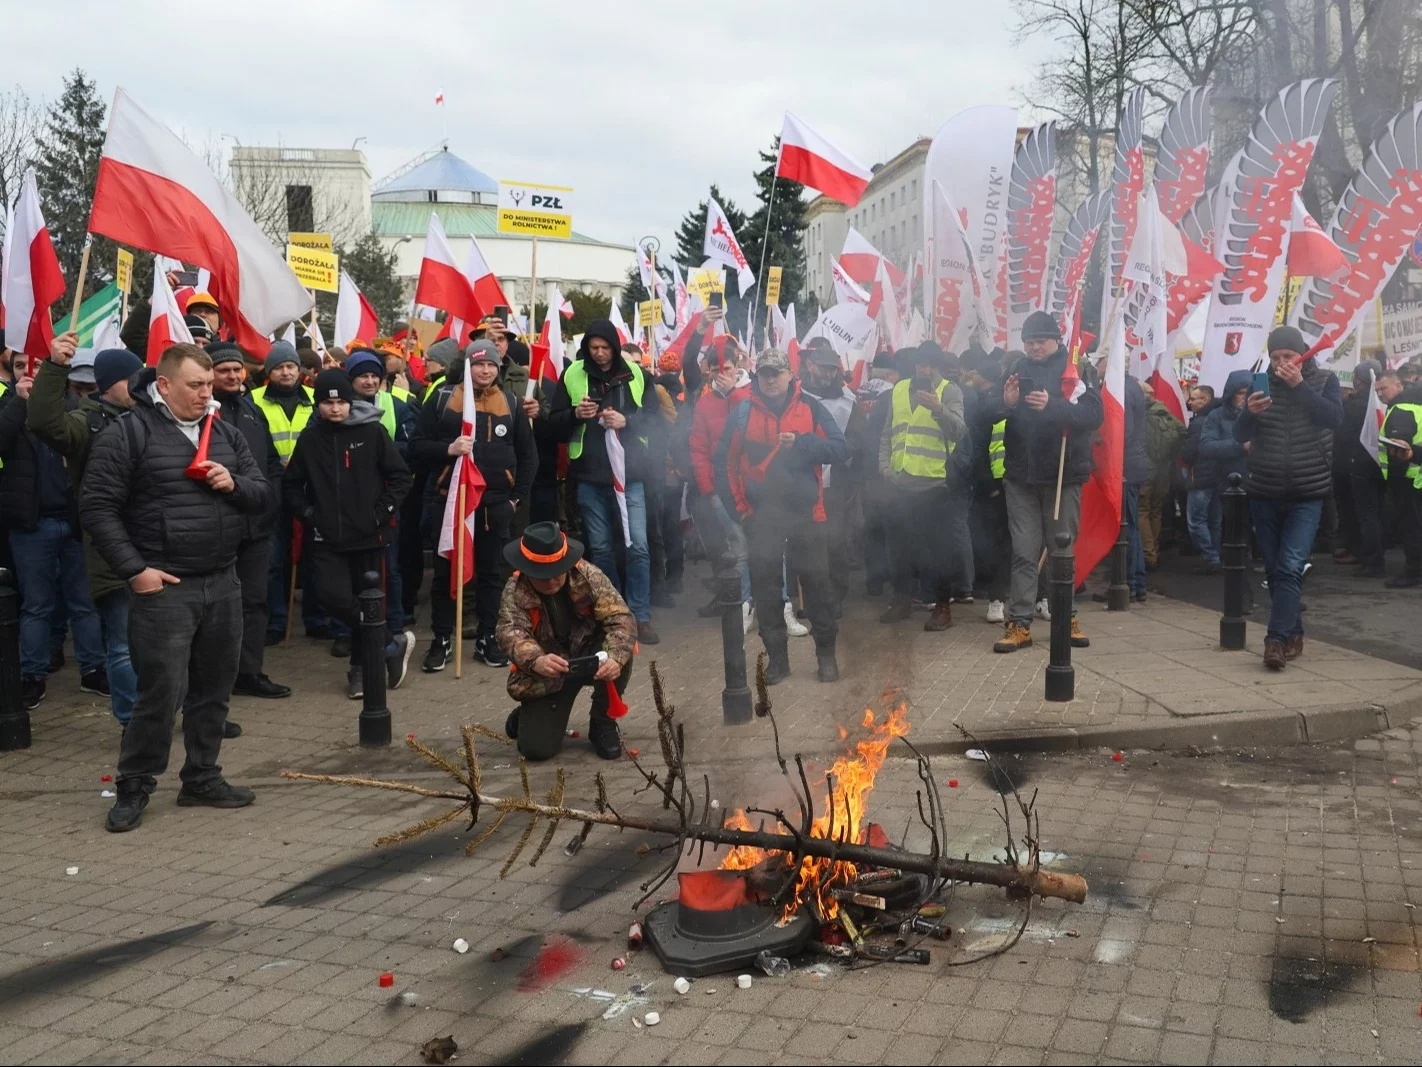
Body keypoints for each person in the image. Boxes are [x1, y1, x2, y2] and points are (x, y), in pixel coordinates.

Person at [82, 343, 274, 833]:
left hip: (222, 580)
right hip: (164, 586)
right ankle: (134, 785)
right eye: (196, 385)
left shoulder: (225, 432)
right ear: (164, 385)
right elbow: (97, 509)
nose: (206, 393)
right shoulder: (129, 434)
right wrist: (135, 571)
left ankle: (202, 778)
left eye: (209, 385)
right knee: (161, 693)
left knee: (213, 689)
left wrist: (234, 483)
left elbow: (262, 493)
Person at [27, 337, 144, 727]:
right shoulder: (86, 420)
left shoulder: (147, 414)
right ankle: (132, 721)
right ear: (110, 383)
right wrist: (55, 367)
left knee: (160, 641)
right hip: (111, 546)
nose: (140, 385)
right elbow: (45, 422)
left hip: (155, 542)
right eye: (132, 379)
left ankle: (167, 712)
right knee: (124, 643)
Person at [715, 348, 848, 684]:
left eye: (777, 373)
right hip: (762, 517)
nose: (771, 379)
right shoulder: (742, 413)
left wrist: (802, 443)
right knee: (766, 591)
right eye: (765, 374)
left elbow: (839, 448)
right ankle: (778, 660)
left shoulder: (811, 407)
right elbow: (725, 463)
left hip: (807, 515)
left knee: (818, 586)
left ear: (791, 374)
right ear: (757, 377)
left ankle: (826, 658)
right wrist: (740, 510)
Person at [282, 369, 415, 699]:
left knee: (368, 600)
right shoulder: (310, 440)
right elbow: (291, 485)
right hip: (326, 537)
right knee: (336, 598)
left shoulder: (372, 433)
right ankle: (388, 642)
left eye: (342, 401)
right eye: (328, 403)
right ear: (318, 406)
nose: (336, 408)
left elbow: (400, 477)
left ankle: (361, 669)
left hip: (369, 535)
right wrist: (310, 515)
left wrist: (380, 512)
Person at [412, 342, 537, 672]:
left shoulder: (510, 403)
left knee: (491, 575)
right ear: (466, 367)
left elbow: (528, 456)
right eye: (479, 365)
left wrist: (516, 498)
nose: (486, 371)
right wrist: (449, 449)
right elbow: (417, 447)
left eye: (492, 366)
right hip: (451, 502)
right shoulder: (442, 399)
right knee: (444, 574)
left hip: (495, 504)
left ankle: (488, 638)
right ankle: (442, 639)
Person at [0, 355, 108, 709]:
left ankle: (94, 669)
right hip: (32, 525)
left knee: (84, 602)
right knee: (36, 606)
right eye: (20, 366)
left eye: (36, 366)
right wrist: (19, 403)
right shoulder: (9, 408)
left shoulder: (77, 408)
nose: (28, 373)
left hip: (77, 522)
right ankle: (33, 675)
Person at [1234, 325, 1343, 669]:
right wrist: (1249, 413)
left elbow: (1333, 418)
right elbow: (1240, 433)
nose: (1281, 362)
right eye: (1276, 356)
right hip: (1264, 489)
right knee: (1274, 568)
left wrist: (1298, 387)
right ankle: (1293, 632)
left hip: (1307, 491)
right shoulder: (1260, 383)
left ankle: (1276, 641)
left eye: (1288, 356)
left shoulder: (1325, 381)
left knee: (1290, 566)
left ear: (1303, 355)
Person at [545, 319, 660, 644]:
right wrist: (574, 416)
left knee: (638, 545)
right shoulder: (573, 374)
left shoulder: (637, 374)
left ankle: (641, 615)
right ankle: (613, 615)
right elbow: (552, 424)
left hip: (630, 474)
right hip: (590, 476)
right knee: (600, 548)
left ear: (614, 345)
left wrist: (627, 420)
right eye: (593, 348)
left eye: (605, 347)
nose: (599, 354)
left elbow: (656, 421)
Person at [993, 311, 1101, 653]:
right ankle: (1020, 623)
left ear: (1056, 340)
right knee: (1024, 553)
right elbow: (984, 414)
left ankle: (1065, 617)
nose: (1034, 347)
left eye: (1040, 340)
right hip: (1021, 477)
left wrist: (1052, 406)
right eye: (1028, 341)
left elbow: (1092, 416)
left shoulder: (1076, 369)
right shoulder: (1014, 369)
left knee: (1061, 552)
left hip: (1062, 476)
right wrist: (1005, 404)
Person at [495, 522, 637, 761]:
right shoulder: (514, 589)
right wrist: (536, 660)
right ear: (528, 570)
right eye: (542, 575)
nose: (551, 581)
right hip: (550, 669)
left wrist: (614, 658)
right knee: (536, 749)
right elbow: (509, 632)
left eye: (556, 572)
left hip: (591, 658)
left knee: (622, 647)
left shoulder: (589, 574)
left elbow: (621, 618)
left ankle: (603, 722)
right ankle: (525, 717)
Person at [208, 342, 289, 700]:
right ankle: (213, 683)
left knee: (255, 602)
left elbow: (269, 462)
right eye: (223, 369)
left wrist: (269, 498)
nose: (232, 375)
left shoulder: (252, 409)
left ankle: (249, 672)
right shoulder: (202, 412)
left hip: (257, 524)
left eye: (236, 369)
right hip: (218, 526)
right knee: (216, 609)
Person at [878, 342, 967, 630]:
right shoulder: (899, 389)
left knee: (938, 553)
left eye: (929, 364)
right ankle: (902, 600)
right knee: (899, 551)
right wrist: (884, 467)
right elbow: (888, 432)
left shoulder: (950, 391)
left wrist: (939, 409)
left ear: (938, 366)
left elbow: (960, 431)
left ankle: (942, 608)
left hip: (934, 485)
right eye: (920, 364)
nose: (924, 369)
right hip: (900, 483)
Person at [250, 343, 326, 647]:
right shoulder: (252, 401)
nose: (285, 372)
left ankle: (317, 618)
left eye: (290, 366)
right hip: (270, 487)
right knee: (273, 557)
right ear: (269, 372)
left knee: (315, 556)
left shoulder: (316, 401)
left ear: (299, 370)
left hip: (311, 488)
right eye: (279, 367)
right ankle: (276, 621)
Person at [684, 319, 755, 629]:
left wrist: (733, 397)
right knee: (736, 546)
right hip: (718, 490)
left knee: (754, 544)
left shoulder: (751, 393)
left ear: (736, 365)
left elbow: (751, 429)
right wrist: (709, 489)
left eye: (727, 368)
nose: (721, 375)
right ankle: (740, 602)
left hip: (750, 485)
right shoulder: (704, 403)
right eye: (715, 371)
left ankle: (757, 601)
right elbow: (698, 448)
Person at [345, 347, 418, 634]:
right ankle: (349, 629)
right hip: (349, 499)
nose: (369, 381)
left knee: (390, 566)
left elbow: (411, 445)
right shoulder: (337, 406)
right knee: (350, 569)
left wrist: (378, 447)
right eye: (362, 376)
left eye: (374, 375)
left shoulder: (395, 405)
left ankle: (395, 624)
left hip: (387, 498)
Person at [800, 339, 861, 618]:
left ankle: (836, 595)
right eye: (824, 368)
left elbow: (858, 441)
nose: (828, 374)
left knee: (835, 542)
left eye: (833, 370)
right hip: (803, 481)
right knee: (808, 542)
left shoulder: (848, 400)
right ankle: (811, 597)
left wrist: (849, 477)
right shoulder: (797, 395)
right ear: (811, 366)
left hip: (835, 483)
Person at [962, 348, 1010, 622]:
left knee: (1016, 544)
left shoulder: (999, 403)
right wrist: (989, 483)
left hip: (1015, 484)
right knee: (996, 543)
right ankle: (995, 597)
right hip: (994, 486)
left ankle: (1038, 597)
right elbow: (979, 448)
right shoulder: (987, 406)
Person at [1195, 370, 1252, 571]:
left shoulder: (1259, 413)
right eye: (1241, 393)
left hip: (1257, 480)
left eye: (1248, 393)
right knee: (1228, 525)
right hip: (1227, 481)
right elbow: (1206, 446)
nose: (1245, 399)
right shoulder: (1216, 416)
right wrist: (1239, 447)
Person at [1378, 368, 1422, 588]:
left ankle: (1413, 572)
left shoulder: (1401, 408)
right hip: (1417, 475)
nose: (1380, 394)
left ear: (1399, 386)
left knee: (1411, 527)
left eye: (1383, 388)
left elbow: (1400, 448)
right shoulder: (1417, 403)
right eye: (1377, 390)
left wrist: (1393, 483)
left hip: (1408, 479)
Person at [1345, 361, 1387, 577]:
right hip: (1382, 464)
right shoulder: (1383, 400)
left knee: (1367, 514)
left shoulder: (1354, 405)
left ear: (1359, 380)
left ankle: (1373, 560)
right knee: (1378, 511)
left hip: (1361, 463)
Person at [1139, 381, 1185, 571]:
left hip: (1146, 469)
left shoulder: (1142, 415)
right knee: (1156, 511)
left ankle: (1148, 554)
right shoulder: (1164, 411)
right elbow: (1183, 431)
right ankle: (1154, 549)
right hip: (1163, 469)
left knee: (1142, 510)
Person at [1181, 384, 1224, 571]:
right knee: (1214, 520)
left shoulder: (1199, 423)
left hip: (1200, 476)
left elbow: (1189, 452)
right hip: (1219, 476)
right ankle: (1215, 555)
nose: (1189, 402)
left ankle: (1211, 557)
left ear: (1204, 400)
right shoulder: (1220, 417)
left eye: (1193, 398)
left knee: (1196, 520)